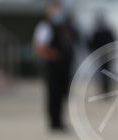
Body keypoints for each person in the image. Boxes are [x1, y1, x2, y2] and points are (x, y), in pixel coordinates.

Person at [33, 0, 78, 132]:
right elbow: (39, 46)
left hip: (65, 67)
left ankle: (59, 121)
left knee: (63, 94)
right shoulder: (45, 26)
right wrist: (53, 55)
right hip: (53, 67)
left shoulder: (66, 26)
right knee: (53, 94)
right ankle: (54, 122)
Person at [87, 11, 116, 94]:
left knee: (107, 74)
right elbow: (91, 44)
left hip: (107, 56)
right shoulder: (95, 32)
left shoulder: (108, 31)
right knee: (101, 75)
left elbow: (113, 43)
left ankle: (107, 90)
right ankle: (103, 90)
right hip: (100, 57)